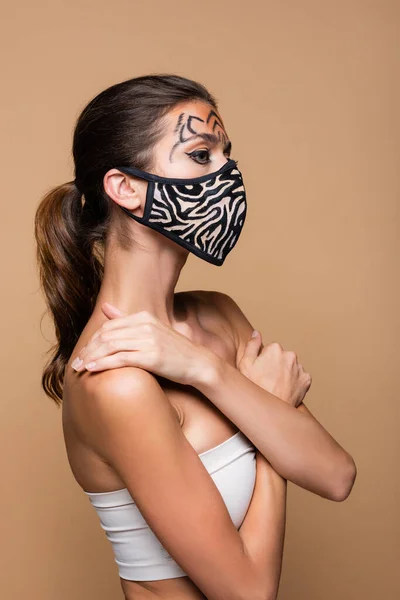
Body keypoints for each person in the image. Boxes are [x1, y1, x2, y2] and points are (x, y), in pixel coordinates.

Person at [34, 74, 357, 600]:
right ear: (126, 188)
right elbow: (248, 594)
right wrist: (267, 418)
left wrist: (205, 369)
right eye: (201, 155)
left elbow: (336, 475)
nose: (228, 174)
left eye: (228, 155)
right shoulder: (115, 382)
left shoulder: (219, 315)